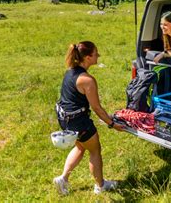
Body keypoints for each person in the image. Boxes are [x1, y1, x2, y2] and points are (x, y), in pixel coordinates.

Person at [53, 41, 124, 196]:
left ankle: (63, 178)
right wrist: (112, 124)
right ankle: (100, 186)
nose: (98, 55)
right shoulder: (87, 80)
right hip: (79, 121)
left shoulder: (70, 71)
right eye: (95, 53)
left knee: (80, 146)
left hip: (64, 117)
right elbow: (97, 108)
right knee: (94, 149)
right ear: (87, 57)